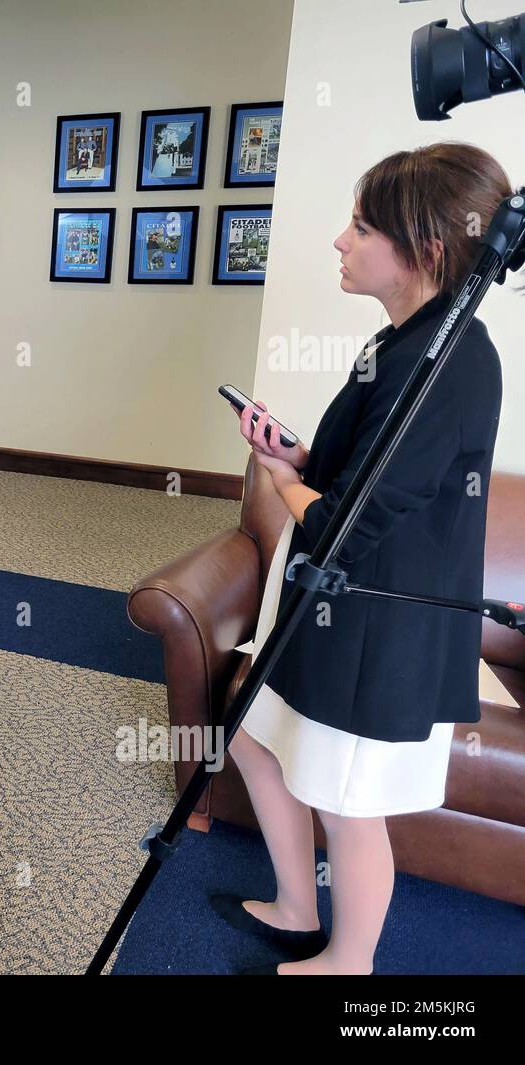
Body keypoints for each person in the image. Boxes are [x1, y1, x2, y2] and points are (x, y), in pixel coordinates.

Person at [220, 142, 510, 974]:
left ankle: (348, 966)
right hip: (332, 603)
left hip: (379, 623)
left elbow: (354, 521)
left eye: (359, 226)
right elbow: (356, 472)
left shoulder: (450, 363)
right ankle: (294, 900)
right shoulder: (404, 339)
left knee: (348, 809)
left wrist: (283, 484)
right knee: (250, 738)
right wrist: (296, 461)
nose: (339, 242)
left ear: (424, 247)